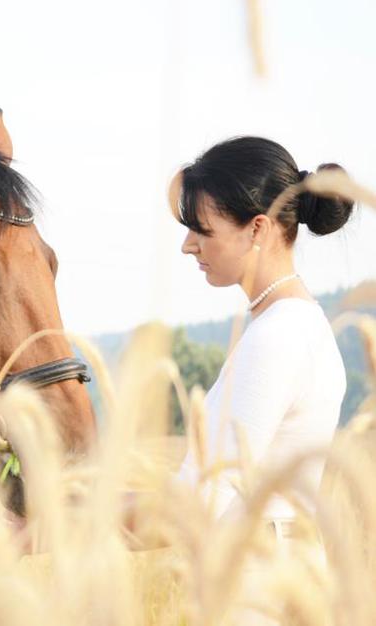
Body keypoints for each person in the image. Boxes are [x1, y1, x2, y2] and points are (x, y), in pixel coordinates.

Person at [167, 136, 354, 624]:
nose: (188, 245)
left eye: (200, 229)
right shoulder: (287, 326)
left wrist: (66, 517)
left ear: (257, 229)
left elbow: (198, 500)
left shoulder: (280, 337)